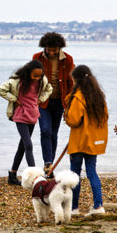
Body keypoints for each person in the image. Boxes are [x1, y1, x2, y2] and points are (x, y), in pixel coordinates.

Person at [0, 60, 53, 185]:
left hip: (32, 115)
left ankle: (12, 174)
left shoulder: (42, 81)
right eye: (35, 76)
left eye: (39, 75)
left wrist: (41, 99)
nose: (37, 78)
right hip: (20, 115)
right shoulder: (17, 81)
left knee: (22, 146)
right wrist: (14, 99)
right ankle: (36, 177)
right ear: (28, 73)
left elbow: (49, 89)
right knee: (28, 145)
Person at [64, 65, 108, 216]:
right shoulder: (99, 96)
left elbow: (74, 120)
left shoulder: (78, 97)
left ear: (76, 80)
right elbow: (105, 117)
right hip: (93, 141)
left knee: (75, 175)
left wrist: (66, 116)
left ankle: (73, 208)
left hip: (79, 141)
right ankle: (98, 206)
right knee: (92, 172)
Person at [33, 32, 75, 175]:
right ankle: (48, 162)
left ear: (59, 48)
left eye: (54, 50)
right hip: (42, 101)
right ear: (44, 47)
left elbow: (71, 82)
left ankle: (51, 163)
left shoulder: (68, 59)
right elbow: (32, 79)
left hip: (60, 101)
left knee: (54, 133)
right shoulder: (37, 58)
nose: (51, 53)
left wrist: (70, 103)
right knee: (45, 130)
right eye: (48, 49)